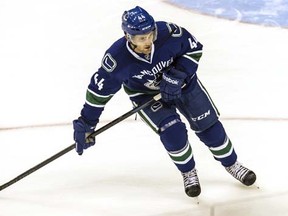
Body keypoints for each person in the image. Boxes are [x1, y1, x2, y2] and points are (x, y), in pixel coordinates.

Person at [73, 6, 256, 198]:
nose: (148, 41)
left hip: (185, 86)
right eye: (141, 38)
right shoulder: (117, 60)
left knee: (210, 128)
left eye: (150, 34)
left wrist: (178, 75)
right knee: (172, 132)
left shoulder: (168, 34)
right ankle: (188, 172)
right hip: (145, 95)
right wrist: (87, 122)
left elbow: (194, 48)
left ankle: (232, 164)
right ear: (128, 37)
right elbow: (99, 92)